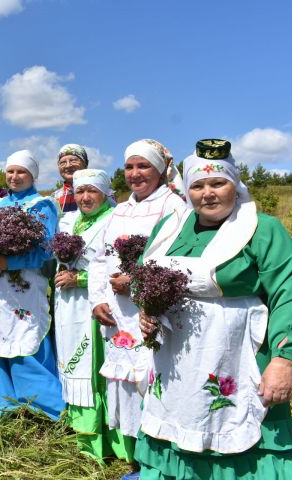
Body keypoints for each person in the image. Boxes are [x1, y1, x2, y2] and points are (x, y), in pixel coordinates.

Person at [135, 140, 292, 479]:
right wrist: (147, 309)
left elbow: (287, 295)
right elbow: (144, 275)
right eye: (197, 185)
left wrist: (282, 362)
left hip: (236, 355)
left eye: (218, 183)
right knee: (178, 418)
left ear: (235, 184)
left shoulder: (262, 229)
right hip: (176, 359)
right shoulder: (170, 228)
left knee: (239, 422)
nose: (207, 193)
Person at [87, 139, 185, 449]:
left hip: (152, 310)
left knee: (152, 373)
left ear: (159, 170)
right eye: (129, 166)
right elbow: (100, 258)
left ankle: (154, 450)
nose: (134, 173)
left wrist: (136, 282)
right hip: (118, 310)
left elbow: (176, 259)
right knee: (123, 375)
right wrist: (97, 299)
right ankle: (128, 448)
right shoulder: (119, 211)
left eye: (143, 166)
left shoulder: (174, 206)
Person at [0, 149, 64, 420]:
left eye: (20, 172)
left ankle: (46, 406)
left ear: (32, 175)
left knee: (23, 337)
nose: (14, 176)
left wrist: (10, 263)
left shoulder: (41, 205)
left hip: (22, 284)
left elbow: (47, 248)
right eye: (10, 171)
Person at [53, 169, 133, 460]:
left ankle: (114, 440)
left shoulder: (115, 220)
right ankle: (85, 437)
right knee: (73, 365)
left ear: (105, 193)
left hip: (99, 303)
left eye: (92, 191)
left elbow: (118, 265)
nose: (85, 197)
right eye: (80, 191)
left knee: (99, 367)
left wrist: (82, 279)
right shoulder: (69, 220)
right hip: (67, 303)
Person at [52, 144, 88, 213]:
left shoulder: (100, 193)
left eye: (73, 160)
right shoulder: (54, 198)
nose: (68, 165)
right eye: (63, 162)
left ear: (85, 163)